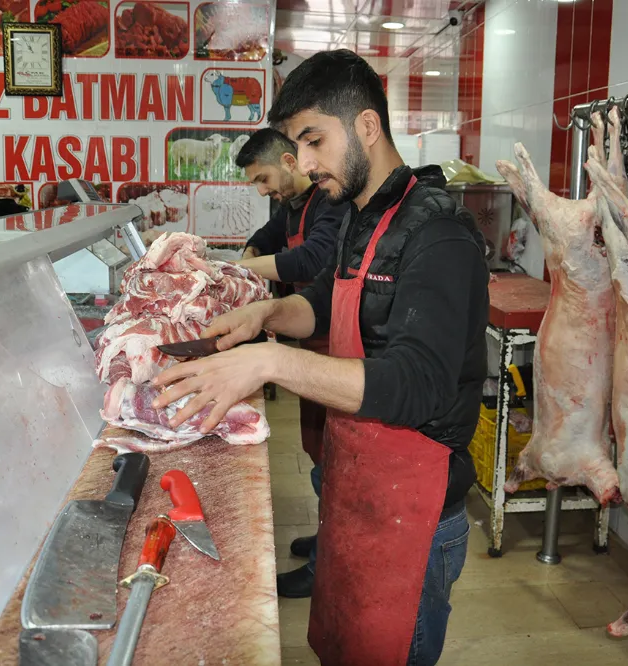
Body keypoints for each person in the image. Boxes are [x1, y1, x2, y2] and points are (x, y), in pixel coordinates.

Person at [151, 49, 488, 666]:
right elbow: (328, 303)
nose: (304, 163)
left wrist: (270, 363)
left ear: (367, 126)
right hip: (356, 491)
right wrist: (267, 315)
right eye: (297, 146)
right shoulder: (360, 215)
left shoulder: (438, 233)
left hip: (414, 513)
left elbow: (419, 383)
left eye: (314, 140)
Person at [233, 127, 349, 598]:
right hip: (312, 339)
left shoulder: (329, 202)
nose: (263, 191)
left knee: (335, 460)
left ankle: (328, 567)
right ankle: (326, 541)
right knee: (318, 450)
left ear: (287, 161)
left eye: (263, 179)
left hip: (339, 344)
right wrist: (250, 252)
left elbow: (311, 260)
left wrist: (232, 269)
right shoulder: (293, 204)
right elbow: (268, 235)